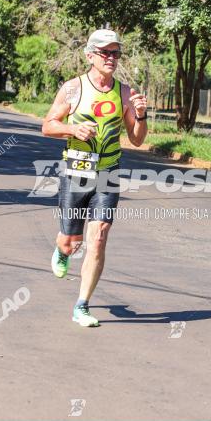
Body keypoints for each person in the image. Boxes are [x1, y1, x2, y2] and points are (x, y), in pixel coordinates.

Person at [41, 29, 149, 327]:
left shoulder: (125, 93)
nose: (111, 58)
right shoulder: (73, 89)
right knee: (71, 244)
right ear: (90, 56)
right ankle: (62, 247)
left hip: (108, 173)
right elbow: (48, 126)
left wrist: (140, 115)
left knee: (99, 236)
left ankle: (82, 305)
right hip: (75, 173)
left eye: (115, 53)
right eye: (105, 53)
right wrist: (72, 130)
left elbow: (137, 140)